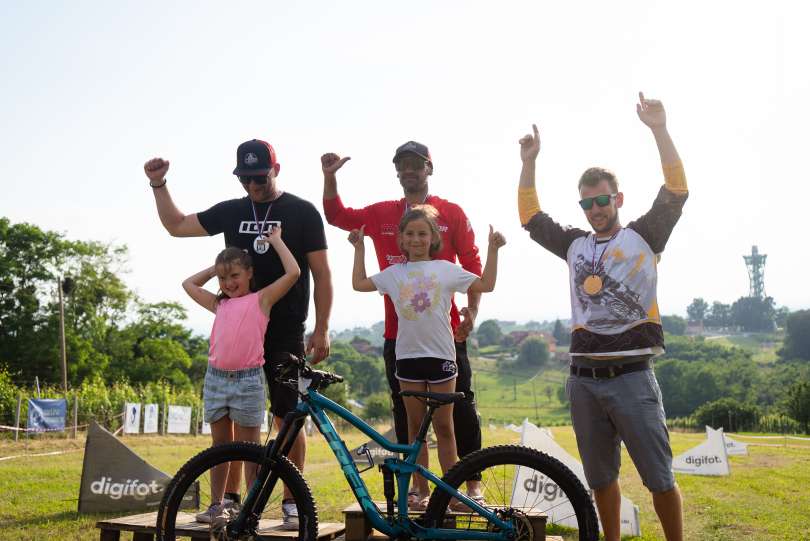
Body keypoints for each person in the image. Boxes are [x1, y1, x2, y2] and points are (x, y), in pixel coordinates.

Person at [517, 93, 687, 541]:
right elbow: (530, 216)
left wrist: (659, 129)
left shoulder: (644, 236)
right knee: (600, 480)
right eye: (587, 204)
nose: (595, 210)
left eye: (602, 200)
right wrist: (529, 161)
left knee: (659, 479)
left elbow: (676, 190)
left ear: (618, 199)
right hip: (584, 379)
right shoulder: (573, 244)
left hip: (633, 375)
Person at [143, 139, 333, 529]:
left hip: (284, 332)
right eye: (245, 178)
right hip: (238, 331)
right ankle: (228, 501)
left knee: (287, 419)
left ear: (276, 169)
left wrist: (323, 326)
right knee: (229, 424)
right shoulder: (232, 211)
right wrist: (158, 185)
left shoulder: (302, 212)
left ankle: (292, 503)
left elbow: (321, 273)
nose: (253, 185)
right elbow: (177, 226)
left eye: (259, 177)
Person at [321, 141, 486, 505]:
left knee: (459, 411)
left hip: (447, 333)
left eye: (416, 164)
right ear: (397, 171)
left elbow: (473, 267)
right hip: (399, 336)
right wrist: (329, 178)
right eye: (403, 165)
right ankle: (419, 488)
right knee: (406, 419)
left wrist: (472, 312)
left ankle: (470, 482)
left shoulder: (452, 212)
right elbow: (337, 216)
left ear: (429, 168)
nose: (409, 170)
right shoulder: (382, 213)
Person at [349, 205, 505, 509]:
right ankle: (421, 493)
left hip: (443, 359)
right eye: (410, 234)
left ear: (434, 237)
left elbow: (486, 285)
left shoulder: (446, 268)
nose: (416, 239)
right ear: (402, 240)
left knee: (446, 429)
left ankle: (451, 493)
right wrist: (359, 248)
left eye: (422, 233)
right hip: (407, 360)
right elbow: (359, 283)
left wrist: (493, 249)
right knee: (415, 430)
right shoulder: (394, 274)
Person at [182, 229, 299, 524]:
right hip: (216, 380)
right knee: (219, 448)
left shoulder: (262, 299)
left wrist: (277, 241)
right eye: (223, 279)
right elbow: (188, 284)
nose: (228, 283)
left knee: (251, 452)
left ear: (249, 273)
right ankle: (216, 505)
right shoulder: (219, 304)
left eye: (234, 275)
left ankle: (251, 510)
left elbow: (294, 272)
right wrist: (216, 266)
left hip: (248, 381)